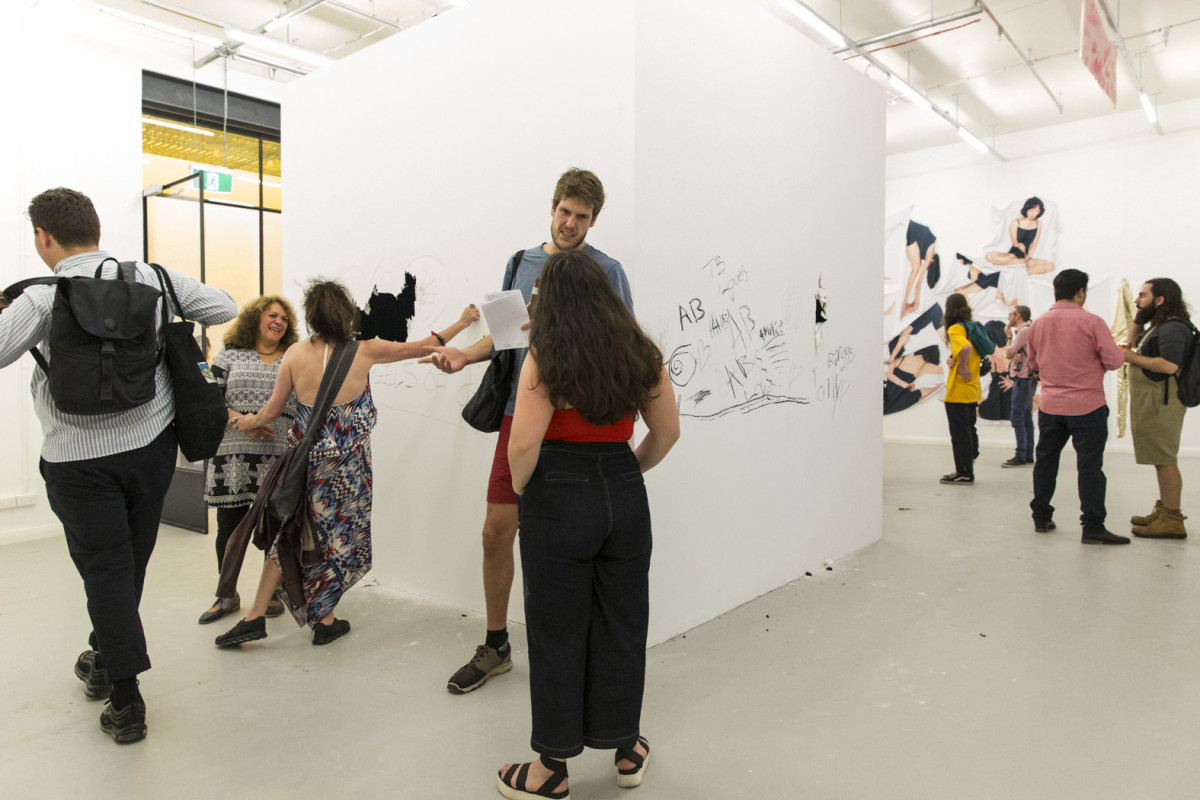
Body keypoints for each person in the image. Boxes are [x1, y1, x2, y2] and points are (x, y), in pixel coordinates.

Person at [0, 188, 236, 743]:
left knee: (106, 568)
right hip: (150, 450)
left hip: (77, 460)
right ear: (97, 230)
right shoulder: (151, 279)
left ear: (43, 237)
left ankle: (126, 700)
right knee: (129, 562)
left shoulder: (42, 298)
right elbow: (224, 307)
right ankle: (105, 657)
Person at [422, 168, 633, 694]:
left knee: (568, 541)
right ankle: (496, 645)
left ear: (594, 220)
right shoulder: (520, 263)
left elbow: (623, 343)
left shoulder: (608, 271)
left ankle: (578, 649)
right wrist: (463, 355)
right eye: (564, 211)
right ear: (553, 207)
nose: (570, 223)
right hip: (520, 415)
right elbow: (504, 337)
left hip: (580, 422)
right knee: (497, 533)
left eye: (581, 216)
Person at [495, 250, 678, 800]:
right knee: (623, 623)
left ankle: (551, 768)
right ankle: (627, 750)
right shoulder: (639, 352)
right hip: (624, 490)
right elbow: (667, 432)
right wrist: (625, 471)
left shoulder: (546, 357)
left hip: (558, 492)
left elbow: (522, 445)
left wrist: (526, 491)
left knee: (557, 629)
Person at [215, 281, 479, 647]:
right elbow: (425, 345)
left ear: (311, 315)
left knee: (291, 535)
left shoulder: (294, 354)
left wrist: (246, 421)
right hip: (348, 470)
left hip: (305, 465)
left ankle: (262, 617)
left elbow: (271, 412)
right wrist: (462, 322)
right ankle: (322, 620)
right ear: (346, 313)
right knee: (338, 540)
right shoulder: (365, 350)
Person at [198, 296, 299, 624]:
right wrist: (244, 421)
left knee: (276, 528)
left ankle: (270, 592)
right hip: (233, 455)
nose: (278, 321)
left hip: (278, 456)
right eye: (272, 315)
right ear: (256, 318)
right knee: (229, 528)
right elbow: (209, 395)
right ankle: (226, 595)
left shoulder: (293, 355)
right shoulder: (229, 353)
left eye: (284, 318)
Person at [1026, 268, 1128, 544]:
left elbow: (1033, 363)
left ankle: (1041, 518)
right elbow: (1114, 361)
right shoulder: (1092, 322)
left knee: (1046, 462)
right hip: (1087, 406)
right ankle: (1092, 527)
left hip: (1051, 406)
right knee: (1090, 467)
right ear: (1081, 292)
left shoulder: (1038, 324)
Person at [1123, 278, 1191, 538]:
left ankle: (1172, 518)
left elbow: (1169, 365)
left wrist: (1132, 358)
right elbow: (1131, 341)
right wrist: (1139, 318)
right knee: (1160, 458)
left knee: (1165, 459)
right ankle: (1165, 511)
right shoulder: (1160, 325)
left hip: (1163, 402)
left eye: (1143, 295)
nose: (1137, 300)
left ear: (1160, 300)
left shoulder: (1173, 328)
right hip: (1155, 400)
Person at [940, 293, 980, 485]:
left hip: (958, 390)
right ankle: (971, 459)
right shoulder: (972, 327)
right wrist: (954, 359)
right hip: (972, 388)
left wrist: (962, 366)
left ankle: (964, 473)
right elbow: (972, 351)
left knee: (959, 435)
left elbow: (965, 349)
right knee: (969, 429)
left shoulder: (956, 328)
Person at [985, 196, 1054, 275]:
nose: (1033, 213)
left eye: (1037, 211)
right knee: (989, 256)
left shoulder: (1039, 223)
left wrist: (1028, 257)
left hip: (1026, 256)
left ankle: (1019, 266)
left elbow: (1034, 244)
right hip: (1013, 254)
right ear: (1027, 208)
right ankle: (1020, 264)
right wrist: (1020, 246)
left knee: (1051, 266)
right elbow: (1015, 243)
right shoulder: (1015, 222)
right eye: (1031, 210)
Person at [1002, 305, 1035, 467]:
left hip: (1024, 378)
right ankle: (1027, 454)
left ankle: (1021, 454)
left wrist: (1008, 337)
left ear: (1019, 315)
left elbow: (1009, 353)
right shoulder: (1027, 330)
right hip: (1027, 378)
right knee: (1026, 415)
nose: (1009, 317)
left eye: (1011, 314)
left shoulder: (1023, 331)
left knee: (1017, 415)